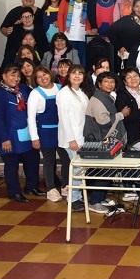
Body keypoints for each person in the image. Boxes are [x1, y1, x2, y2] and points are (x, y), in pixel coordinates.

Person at [0, 64, 40, 202]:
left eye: (18, 75)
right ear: (4, 76)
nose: (15, 78)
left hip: (26, 134)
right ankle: (14, 192)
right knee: (11, 164)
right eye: (12, 75)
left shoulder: (24, 89)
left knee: (32, 159)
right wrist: (4, 139)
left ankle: (31, 187)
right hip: (9, 137)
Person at [83, 72, 130, 212]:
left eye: (112, 82)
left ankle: (101, 197)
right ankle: (94, 201)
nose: (110, 84)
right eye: (106, 81)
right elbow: (103, 122)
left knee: (107, 170)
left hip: (105, 140)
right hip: (100, 140)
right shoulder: (98, 99)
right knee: (105, 171)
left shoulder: (106, 97)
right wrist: (121, 115)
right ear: (99, 84)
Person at [27, 66, 66, 202]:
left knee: (66, 159)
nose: (43, 78)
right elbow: (31, 118)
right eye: (39, 77)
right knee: (49, 160)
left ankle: (66, 186)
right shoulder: (35, 94)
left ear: (50, 74)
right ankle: (51, 189)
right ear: (35, 80)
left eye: (45, 74)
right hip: (45, 132)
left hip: (62, 131)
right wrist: (34, 138)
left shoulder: (61, 88)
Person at [56, 64, 91, 211]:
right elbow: (64, 118)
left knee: (80, 169)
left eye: (80, 73)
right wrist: (71, 140)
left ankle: (78, 195)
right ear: (68, 76)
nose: (77, 76)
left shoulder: (81, 92)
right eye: (74, 73)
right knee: (77, 169)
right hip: (71, 138)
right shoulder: (64, 93)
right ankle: (73, 198)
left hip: (81, 137)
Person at [115, 67, 140, 201]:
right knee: (132, 164)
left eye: (135, 75)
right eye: (129, 77)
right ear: (124, 81)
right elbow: (125, 118)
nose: (133, 79)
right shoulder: (122, 95)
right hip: (132, 135)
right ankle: (129, 191)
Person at [107, 0, 140, 70]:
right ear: (133, 8)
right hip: (129, 58)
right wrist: (119, 46)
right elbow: (111, 31)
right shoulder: (127, 20)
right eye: (137, 6)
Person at [57, 0, 92, 67]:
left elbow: (90, 16)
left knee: (82, 58)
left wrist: (89, 28)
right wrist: (61, 30)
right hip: (69, 33)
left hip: (82, 33)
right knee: (70, 58)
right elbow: (60, 15)